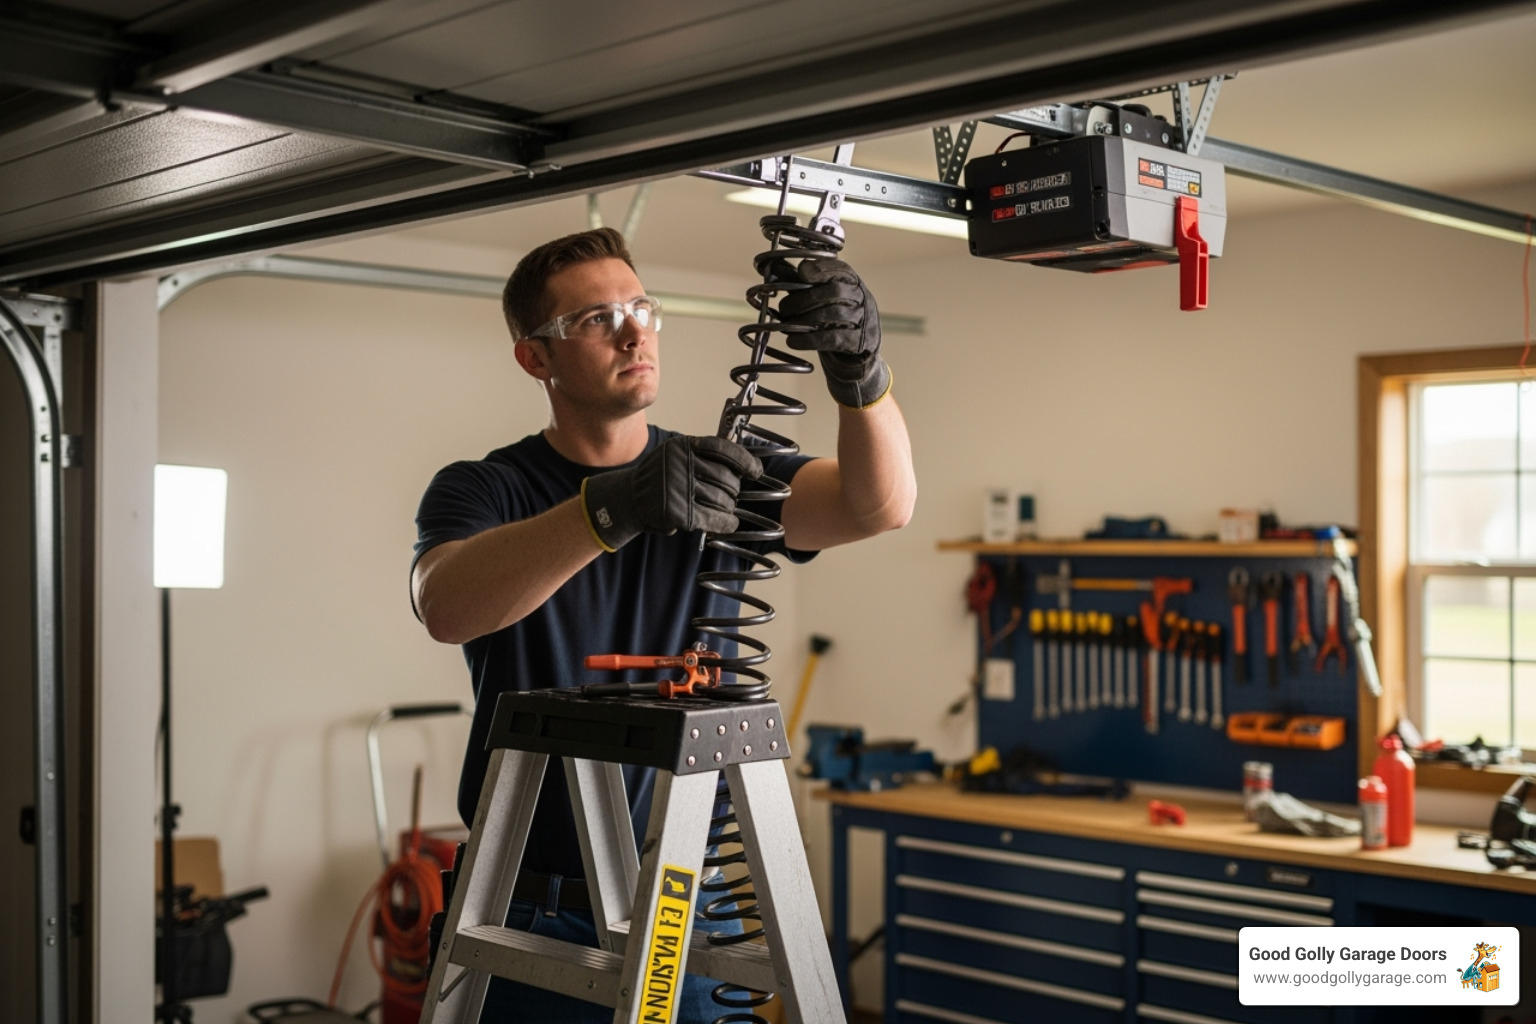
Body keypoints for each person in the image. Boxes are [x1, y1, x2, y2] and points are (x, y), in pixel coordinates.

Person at [411, 227, 915, 1022]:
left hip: (691, 896)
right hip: (532, 909)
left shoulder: (722, 476)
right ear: (535, 358)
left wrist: (863, 379)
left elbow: (878, 505)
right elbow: (445, 604)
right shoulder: (487, 487)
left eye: (640, 306)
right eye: (594, 318)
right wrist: (613, 508)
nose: (632, 328)